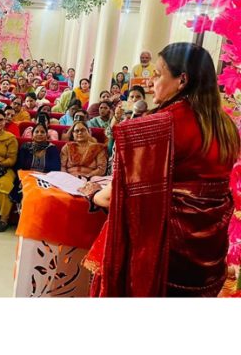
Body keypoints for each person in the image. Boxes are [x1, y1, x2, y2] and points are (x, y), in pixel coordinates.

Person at [81, 42, 241, 297]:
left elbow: (116, 197)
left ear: (182, 80)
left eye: (157, 74)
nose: (150, 82)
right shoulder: (227, 129)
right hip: (207, 262)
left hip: (162, 261)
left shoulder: (160, 126)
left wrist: (92, 193)